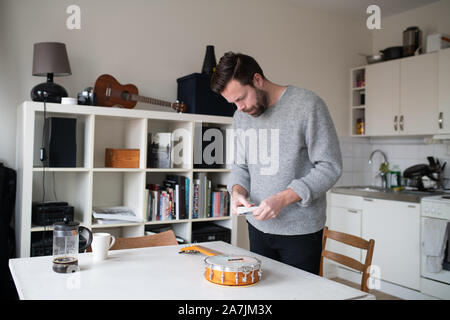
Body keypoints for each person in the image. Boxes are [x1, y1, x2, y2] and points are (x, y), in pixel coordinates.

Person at [210, 52, 342, 275]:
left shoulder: (308, 105)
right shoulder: (241, 116)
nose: (239, 107)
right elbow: (240, 165)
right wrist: (237, 190)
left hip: (300, 232)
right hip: (258, 227)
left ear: (257, 80)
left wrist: (283, 198)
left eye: (241, 98)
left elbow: (330, 166)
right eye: (233, 102)